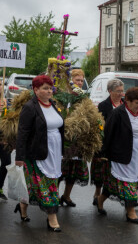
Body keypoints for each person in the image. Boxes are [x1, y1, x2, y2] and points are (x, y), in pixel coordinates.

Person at [15, 75, 64, 232]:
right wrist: (20, 157)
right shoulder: (30, 107)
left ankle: (22, 205)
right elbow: (22, 133)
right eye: (45, 88)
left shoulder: (53, 104)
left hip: (54, 153)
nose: (49, 91)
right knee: (44, 184)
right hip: (36, 153)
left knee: (36, 186)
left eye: (50, 88)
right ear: (36, 90)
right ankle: (52, 218)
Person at [97, 87, 138, 224]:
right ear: (128, 101)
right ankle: (131, 212)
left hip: (136, 155)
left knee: (112, 184)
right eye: (137, 102)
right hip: (120, 154)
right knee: (129, 183)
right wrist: (102, 153)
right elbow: (108, 134)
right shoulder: (118, 113)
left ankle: (100, 200)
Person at [59, 69, 89, 207]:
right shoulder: (63, 96)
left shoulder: (84, 97)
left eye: (82, 80)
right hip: (64, 137)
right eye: (77, 80)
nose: (80, 83)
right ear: (71, 81)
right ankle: (53, 195)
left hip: (77, 138)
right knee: (60, 169)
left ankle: (66, 195)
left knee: (73, 169)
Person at [93, 79, 124, 206]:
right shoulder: (103, 106)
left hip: (120, 142)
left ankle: (126, 198)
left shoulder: (125, 104)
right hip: (106, 141)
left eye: (122, 91)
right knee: (101, 171)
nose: (121, 94)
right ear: (110, 91)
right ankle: (97, 193)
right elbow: (100, 125)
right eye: (118, 91)